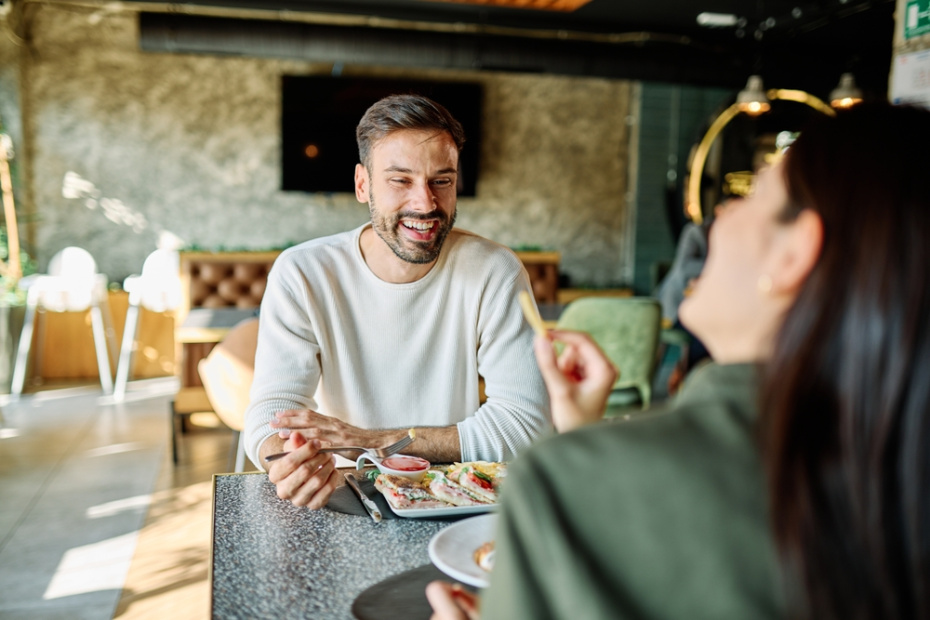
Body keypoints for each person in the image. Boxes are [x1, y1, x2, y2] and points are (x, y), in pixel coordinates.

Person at [427, 103, 930, 620]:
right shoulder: (894, 479)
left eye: (752, 195)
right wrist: (584, 438)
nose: (725, 213)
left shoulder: (562, 485)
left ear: (794, 254)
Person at [244, 94, 549, 509]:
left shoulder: (495, 271)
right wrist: (285, 462)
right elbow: (271, 414)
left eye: (441, 180)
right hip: (342, 493)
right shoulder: (303, 272)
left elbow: (524, 426)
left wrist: (373, 442)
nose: (425, 203)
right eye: (401, 180)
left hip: (456, 496)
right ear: (362, 184)